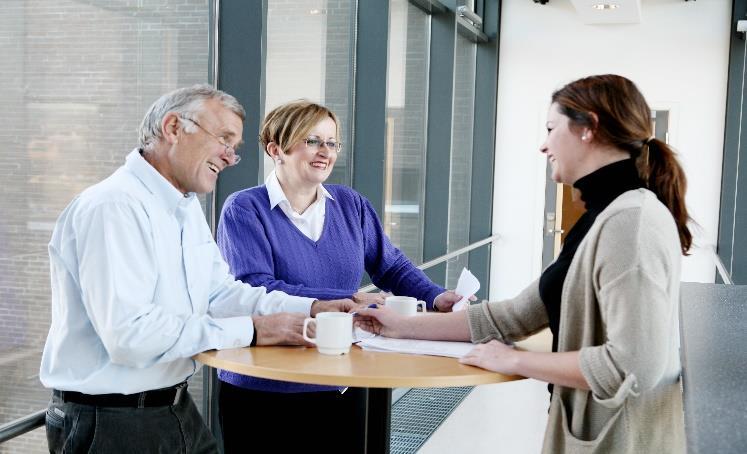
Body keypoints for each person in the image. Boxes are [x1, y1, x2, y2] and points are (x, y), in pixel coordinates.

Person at [356, 74, 690, 453]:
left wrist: (514, 360)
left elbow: (631, 367)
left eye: (551, 128)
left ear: (589, 128)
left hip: (623, 440)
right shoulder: (603, 216)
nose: (543, 145)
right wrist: (403, 326)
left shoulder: (631, 222)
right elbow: (511, 317)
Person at [39, 85, 355, 454]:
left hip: (172, 407)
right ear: (174, 128)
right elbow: (130, 336)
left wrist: (311, 307)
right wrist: (253, 330)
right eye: (223, 138)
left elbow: (221, 294)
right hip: (112, 422)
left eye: (234, 146)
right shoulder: (114, 207)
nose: (228, 155)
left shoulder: (183, 206)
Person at [215, 99, 467, 452]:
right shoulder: (244, 209)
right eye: (312, 140)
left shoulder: (351, 205)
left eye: (332, 143)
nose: (325, 152)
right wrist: (351, 300)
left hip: (343, 377)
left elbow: (391, 266)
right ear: (276, 149)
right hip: (267, 386)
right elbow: (257, 287)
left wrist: (437, 296)